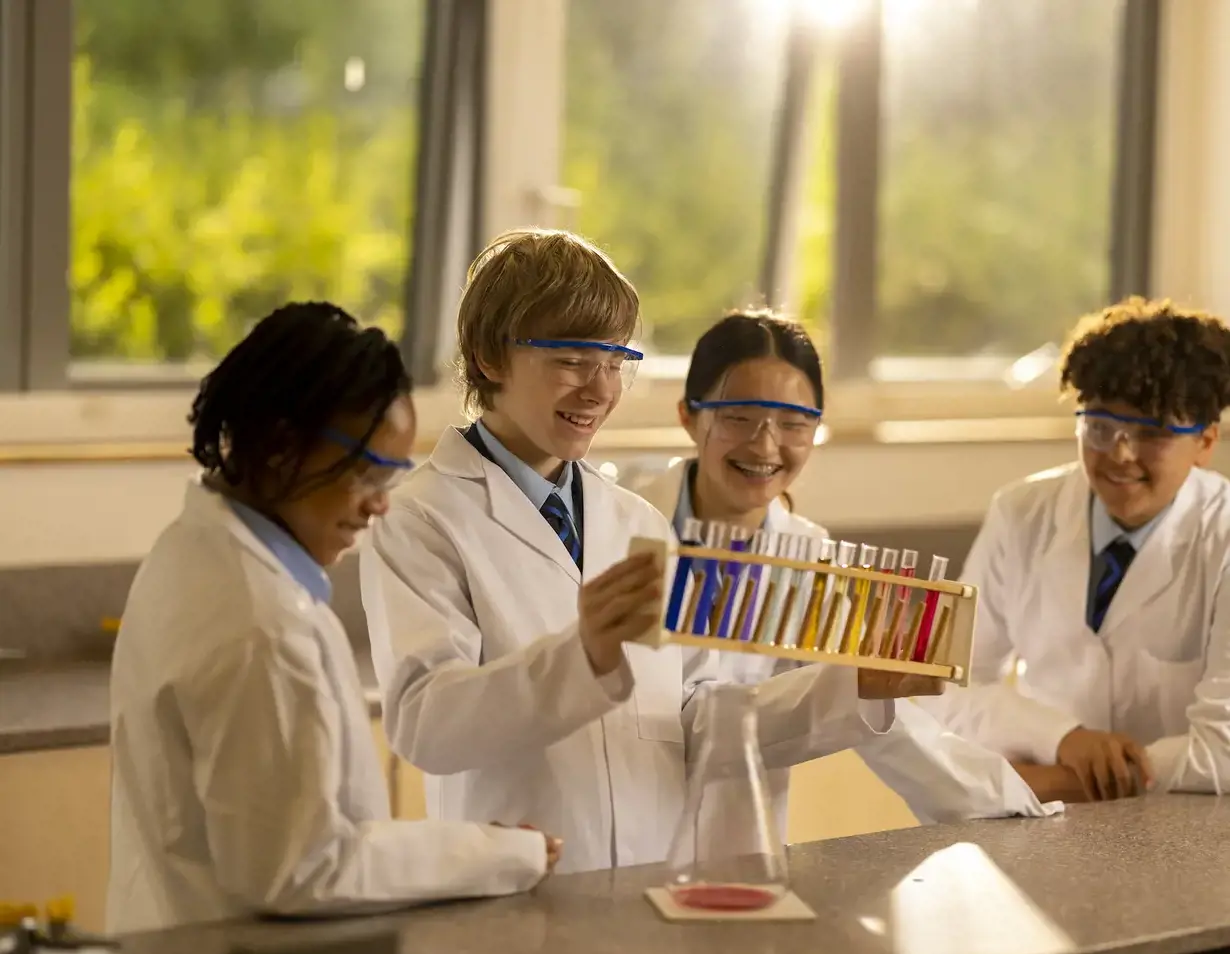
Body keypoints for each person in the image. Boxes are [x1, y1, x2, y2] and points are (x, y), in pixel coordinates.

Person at [359, 228, 938, 876]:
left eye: (614, 362)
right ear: (491, 356)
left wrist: (854, 688)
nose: (600, 390)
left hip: (651, 886)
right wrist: (582, 656)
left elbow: (691, 718)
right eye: (574, 360)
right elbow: (425, 723)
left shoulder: (635, 521)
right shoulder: (422, 518)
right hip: (522, 893)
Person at [107, 302, 558, 935]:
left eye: (392, 476)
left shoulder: (192, 552)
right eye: (367, 472)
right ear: (279, 447)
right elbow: (301, 869)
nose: (379, 506)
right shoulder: (260, 625)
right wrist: (502, 852)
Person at [636, 309, 1057, 833]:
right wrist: (846, 688)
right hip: (613, 832)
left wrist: (1008, 802)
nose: (766, 446)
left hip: (738, 846)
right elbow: (669, 720)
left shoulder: (810, 558)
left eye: (794, 423)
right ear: (688, 415)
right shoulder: (621, 528)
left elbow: (894, 727)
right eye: (739, 417)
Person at [920, 296, 1230, 802]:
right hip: (1045, 829)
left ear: (1205, 442)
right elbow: (944, 684)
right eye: (1101, 428)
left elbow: (1223, 751)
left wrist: (1049, 783)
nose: (1120, 455)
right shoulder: (1021, 513)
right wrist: (1060, 738)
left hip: (1187, 829)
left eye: (1151, 434)